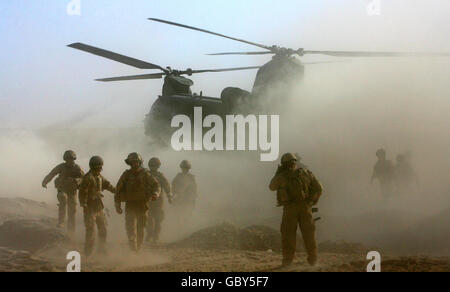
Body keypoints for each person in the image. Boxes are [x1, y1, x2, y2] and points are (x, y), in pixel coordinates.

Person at [269, 153, 323, 267]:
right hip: (306, 208)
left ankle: (287, 262)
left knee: (288, 236)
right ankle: (313, 261)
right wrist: (312, 202)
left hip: (290, 209)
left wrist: (277, 172)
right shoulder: (306, 173)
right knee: (309, 235)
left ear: (284, 164)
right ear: (295, 162)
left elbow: (271, 187)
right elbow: (319, 188)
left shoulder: (282, 176)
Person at [115, 153, 160, 252]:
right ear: (130, 163)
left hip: (142, 205)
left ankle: (138, 248)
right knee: (131, 229)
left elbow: (156, 185)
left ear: (139, 162)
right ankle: (133, 250)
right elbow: (118, 190)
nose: (134, 164)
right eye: (132, 162)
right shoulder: (126, 175)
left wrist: (156, 194)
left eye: (136, 162)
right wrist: (117, 205)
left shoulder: (145, 174)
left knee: (141, 229)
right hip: (130, 205)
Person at [78, 156, 116, 256]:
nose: (100, 168)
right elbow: (82, 192)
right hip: (90, 209)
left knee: (103, 230)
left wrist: (117, 191)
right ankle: (88, 254)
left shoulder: (99, 177)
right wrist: (84, 204)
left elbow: (108, 185)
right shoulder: (88, 178)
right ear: (93, 166)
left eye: (100, 166)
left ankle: (102, 250)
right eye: (98, 166)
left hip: (99, 208)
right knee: (91, 232)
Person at [42, 150, 84, 233]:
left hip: (72, 191)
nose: (70, 161)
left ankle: (71, 230)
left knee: (72, 210)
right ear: (65, 159)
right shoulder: (61, 167)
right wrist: (45, 181)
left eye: (72, 159)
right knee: (63, 199)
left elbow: (84, 178)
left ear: (74, 159)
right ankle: (61, 222)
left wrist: (77, 180)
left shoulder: (77, 168)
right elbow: (52, 174)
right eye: (68, 159)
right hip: (62, 189)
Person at [146, 157, 173, 244]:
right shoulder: (145, 175)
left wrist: (169, 196)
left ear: (158, 166)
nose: (153, 167)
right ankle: (149, 234)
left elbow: (167, 186)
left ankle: (156, 236)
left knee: (158, 219)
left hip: (158, 201)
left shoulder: (161, 176)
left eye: (155, 166)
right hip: (148, 200)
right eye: (151, 166)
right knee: (148, 219)